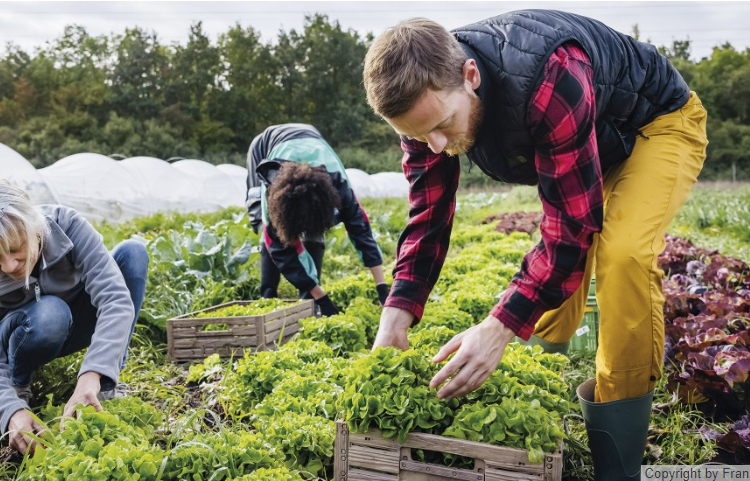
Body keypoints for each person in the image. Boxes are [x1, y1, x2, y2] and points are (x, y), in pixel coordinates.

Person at [364, 11, 707, 481]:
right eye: (418, 136)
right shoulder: (427, 110)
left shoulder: (548, 75)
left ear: (470, 76)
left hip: (655, 124)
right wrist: (395, 314)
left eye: (442, 124)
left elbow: (572, 226)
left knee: (622, 254)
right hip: (591, 142)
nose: (436, 145)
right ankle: (538, 385)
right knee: (553, 263)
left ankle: (618, 456)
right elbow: (428, 215)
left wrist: (499, 326)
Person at [0, 179, 148, 455]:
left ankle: (102, 385)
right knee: (51, 312)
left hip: (73, 323)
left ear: (34, 227)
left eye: (15, 249)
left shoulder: (66, 226)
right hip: (22, 335)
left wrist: (92, 373)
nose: (9, 265)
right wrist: (10, 412)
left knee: (133, 254)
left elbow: (114, 299)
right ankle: (18, 387)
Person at [245, 123, 389, 316]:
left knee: (314, 234)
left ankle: (309, 300)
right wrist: (322, 296)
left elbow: (360, 230)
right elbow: (276, 245)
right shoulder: (273, 189)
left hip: (313, 139)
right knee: (271, 235)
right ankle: (268, 297)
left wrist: (382, 288)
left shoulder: (338, 182)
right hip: (264, 147)